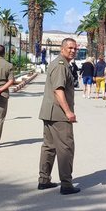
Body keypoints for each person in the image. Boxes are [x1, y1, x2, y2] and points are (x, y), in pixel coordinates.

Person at [38, 38, 80, 195]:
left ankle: (44, 180)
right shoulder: (61, 65)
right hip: (59, 114)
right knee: (65, 148)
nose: (73, 51)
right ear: (62, 49)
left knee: (49, 147)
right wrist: (68, 112)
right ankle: (66, 184)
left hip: (50, 112)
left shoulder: (60, 63)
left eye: (75, 48)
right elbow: (58, 90)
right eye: (70, 48)